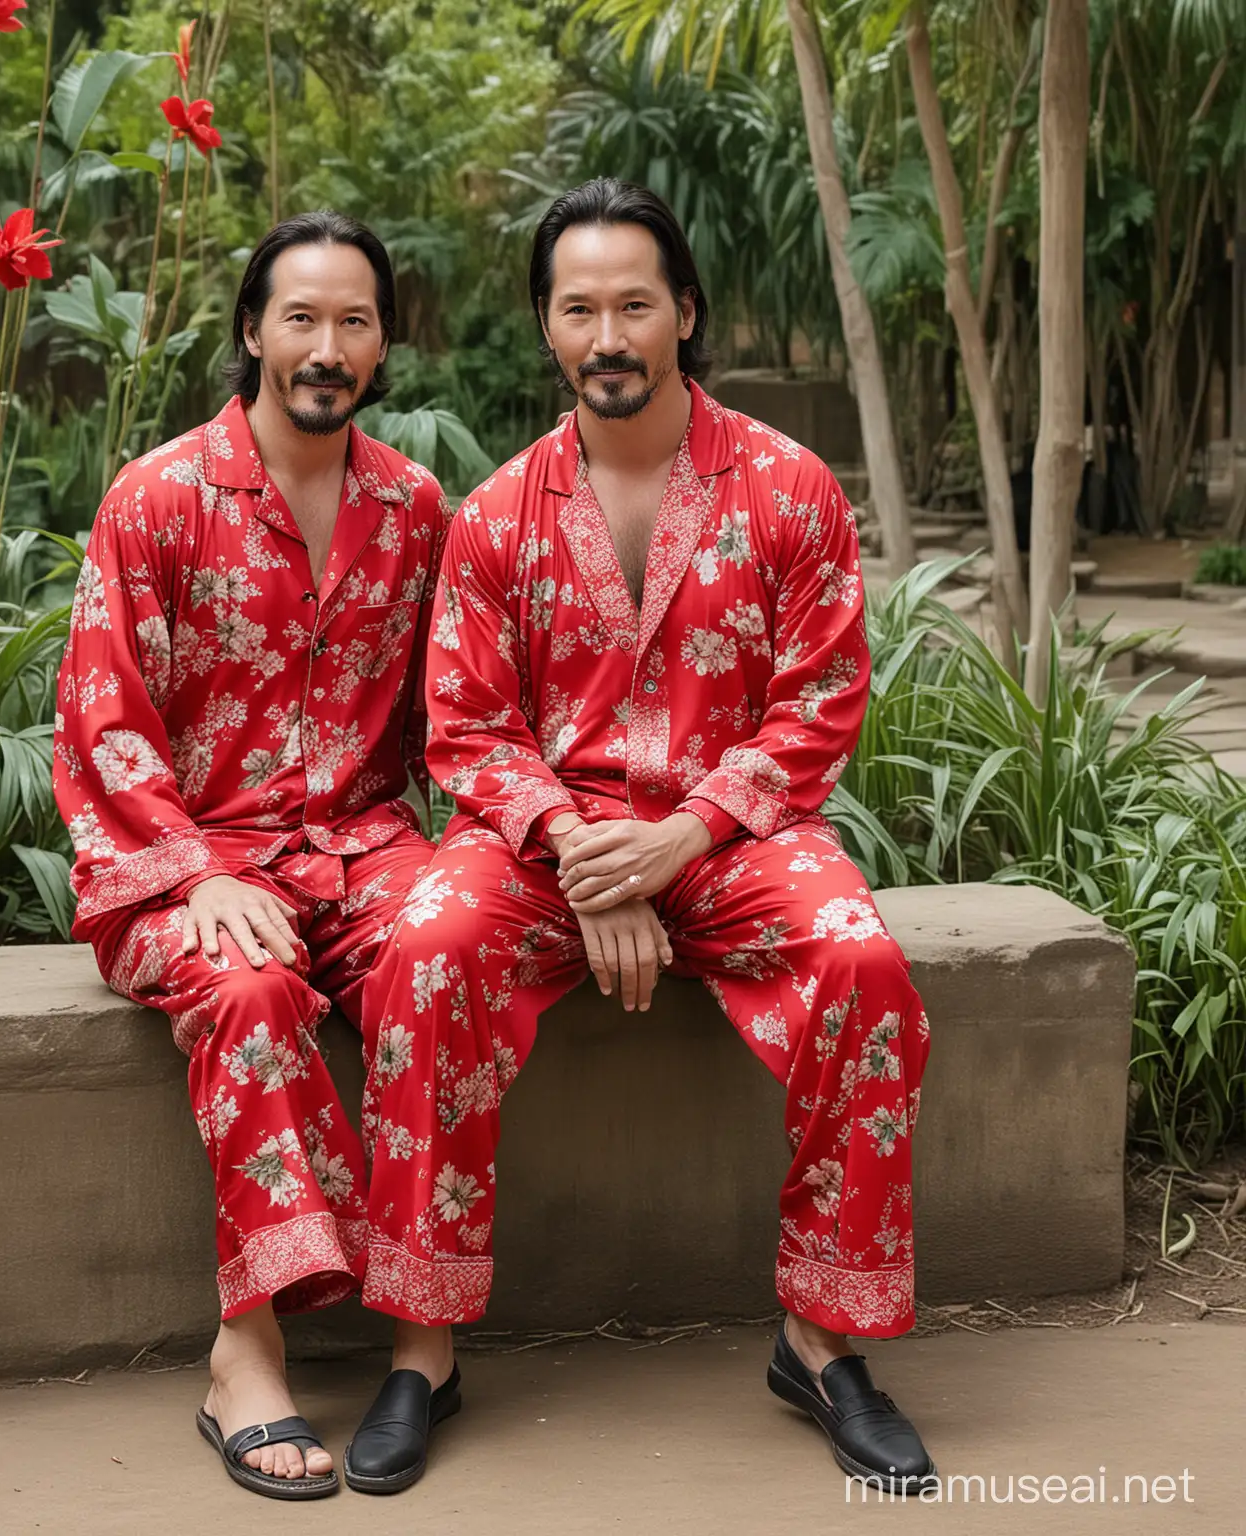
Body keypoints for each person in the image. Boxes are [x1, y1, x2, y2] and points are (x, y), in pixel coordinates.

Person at [350, 178, 936, 1495]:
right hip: (550, 846)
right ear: (549, 329)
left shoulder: (788, 488)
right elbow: (469, 730)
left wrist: (679, 841)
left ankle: (820, 1340)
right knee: (427, 947)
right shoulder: (497, 513)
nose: (606, 333)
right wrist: (579, 850)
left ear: (683, 312)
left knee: (863, 969)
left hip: (734, 835)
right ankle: (421, 1347)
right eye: (578, 308)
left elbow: (820, 704)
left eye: (632, 303)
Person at [52, 211, 448, 1501]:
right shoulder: (159, 497)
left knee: (449, 955)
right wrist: (193, 873)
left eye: (352, 321)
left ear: (382, 344)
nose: (325, 347)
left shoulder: (414, 506)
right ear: (251, 331)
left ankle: (422, 1342)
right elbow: (103, 719)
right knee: (253, 988)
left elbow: (460, 712)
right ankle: (250, 1350)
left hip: (361, 846)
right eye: (300, 318)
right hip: (185, 857)